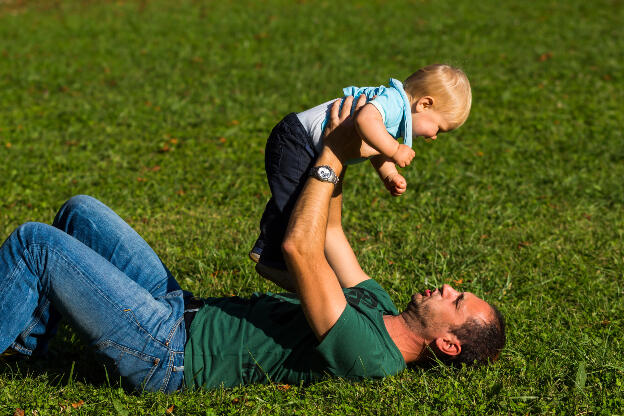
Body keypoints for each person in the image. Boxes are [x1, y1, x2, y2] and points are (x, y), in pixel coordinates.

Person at [0, 95, 503, 393]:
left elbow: (300, 252)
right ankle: (26, 349)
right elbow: (329, 233)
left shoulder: (371, 357)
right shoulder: (380, 305)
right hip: (179, 305)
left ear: (448, 344)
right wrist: (341, 152)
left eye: (456, 301)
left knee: (36, 245)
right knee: (79, 211)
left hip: (166, 349)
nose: (444, 287)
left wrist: (329, 155)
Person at [250, 64, 472, 282]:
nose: (433, 136)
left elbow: (373, 145)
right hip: (297, 141)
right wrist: (395, 149)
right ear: (424, 104)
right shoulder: (394, 103)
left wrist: (389, 174)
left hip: (305, 144)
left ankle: (271, 252)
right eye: (439, 129)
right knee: (297, 204)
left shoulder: (396, 112)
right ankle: (272, 258)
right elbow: (365, 121)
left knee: (299, 199)